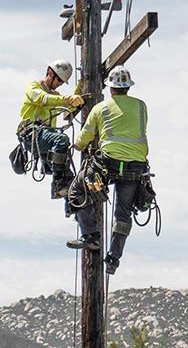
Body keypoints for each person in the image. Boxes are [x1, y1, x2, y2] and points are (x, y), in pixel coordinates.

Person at [67, 65, 149, 275]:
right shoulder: (141, 106)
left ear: (110, 88)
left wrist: (78, 145)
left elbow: (83, 140)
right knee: (123, 213)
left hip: (109, 164)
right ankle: (114, 258)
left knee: (77, 190)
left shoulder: (100, 108)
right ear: (127, 87)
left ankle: (91, 236)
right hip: (136, 167)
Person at [18, 59, 84, 202]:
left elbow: (66, 110)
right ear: (50, 73)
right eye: (59, 80)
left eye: (61, 82)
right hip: (32, 135)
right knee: (61, 139)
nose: (59, 84)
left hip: (46, 139)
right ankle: (57, 184)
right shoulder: (34, 87)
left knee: (70, 179)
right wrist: (67, 99)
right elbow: (43, 99)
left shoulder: (56, 96)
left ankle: (71, 205)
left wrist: (80, 91)